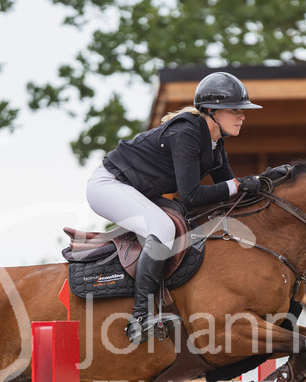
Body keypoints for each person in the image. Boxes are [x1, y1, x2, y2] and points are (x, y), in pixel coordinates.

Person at [86, 71, 263, 344]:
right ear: (212, 111)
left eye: (242, 110)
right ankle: (140, 319)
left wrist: (263, 182)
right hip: (108, 186)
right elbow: (192, 195)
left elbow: (229, 188)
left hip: (134, 190)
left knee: (180, 219)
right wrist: (238, 185)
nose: (242, 116)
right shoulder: (188, 133)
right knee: (163, 226)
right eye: (235, 110)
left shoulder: (215, 142)